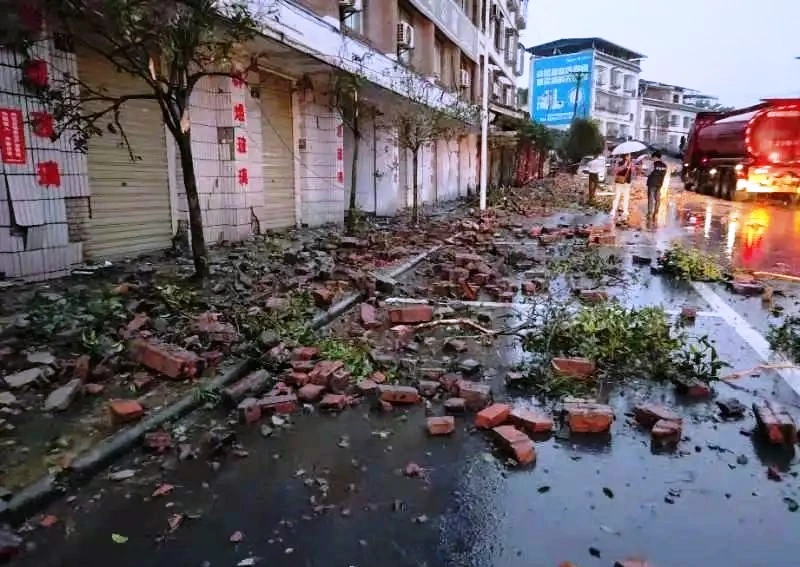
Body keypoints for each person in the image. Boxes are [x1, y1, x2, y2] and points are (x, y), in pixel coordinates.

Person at [645, 151, 669, 227]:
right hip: (659, 184)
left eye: (653, 157)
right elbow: (664, 174)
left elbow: (647, 173)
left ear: (655, 157)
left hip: (652, 183)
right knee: (657, 199)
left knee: (651, 199)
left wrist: (644, 172)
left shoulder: (653, 165)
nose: (652, 159)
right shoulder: (665, 165)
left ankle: (649, 213)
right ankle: (656, 213)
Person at [611, 154, 633, 221]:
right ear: (625, 156)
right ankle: (613, 210)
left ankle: (625, 210)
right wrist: (624, 165)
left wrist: (633, 167)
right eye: (627, 156)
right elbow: (615, 170)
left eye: (629, 156)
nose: (629, 157)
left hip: (627, 183)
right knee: (617, 196)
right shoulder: (620, 162)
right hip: (619, 182)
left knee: (626, 197)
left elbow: (634, 172)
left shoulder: (631, 164)